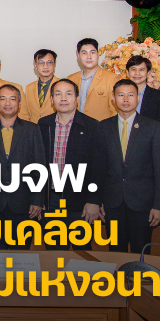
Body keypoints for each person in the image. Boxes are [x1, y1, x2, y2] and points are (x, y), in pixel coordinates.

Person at [96, 79, 160, 254]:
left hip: (143, 203)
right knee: (116, 252)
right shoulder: (103, 127)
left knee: (141, 252)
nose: (126, 99)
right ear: (113, 98)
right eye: (121, 95)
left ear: (138, 98)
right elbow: (98, 168)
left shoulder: (153, 127)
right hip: (112, 202)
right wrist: (97, 200)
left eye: (130, 95)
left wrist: (159, 205)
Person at [0, 84, 45, 249]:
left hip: (24, 204)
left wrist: (38, 200)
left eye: (12, 99)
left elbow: (40, 167)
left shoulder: (32, 129)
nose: (8, 103)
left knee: (21, 254)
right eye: (3, 99)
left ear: (19, 103)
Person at [37, 79, 104, 250]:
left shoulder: (92, 126)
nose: (63, 98)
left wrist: (94, 201)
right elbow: (37, 163)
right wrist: (38, 198)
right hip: (51, 200)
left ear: (77, 98)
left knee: (82, 253)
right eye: (58, 94)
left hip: (80, 202)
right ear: (52, 99)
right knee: (54, 253)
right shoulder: (43, 125)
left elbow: (99, 167)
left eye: (69, 94)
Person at [68, 38, 118, 121]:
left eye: (92, 52)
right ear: (78, 56)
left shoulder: (111, 79)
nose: (89, 57)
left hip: (101, 127)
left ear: (98, 54)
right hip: (76, 127)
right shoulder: (71, 79)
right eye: (84, 53)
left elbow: (115, 111)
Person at [126, 55, 160, 121]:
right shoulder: (121, 95)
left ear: (148, 73)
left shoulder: (159, 96)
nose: (137, 73)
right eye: (133, 69)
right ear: (127, 73)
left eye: (141, 70)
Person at [23, 49, 59, 123]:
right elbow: (26, 114)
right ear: (35, 65)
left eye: (49, 62)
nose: (45, 66)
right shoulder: (29, 88)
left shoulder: (61, 86)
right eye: (41, 62)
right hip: (34, 128)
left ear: (54, 64)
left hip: (54, 128)